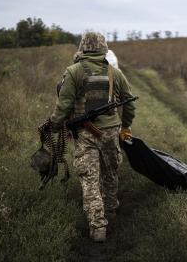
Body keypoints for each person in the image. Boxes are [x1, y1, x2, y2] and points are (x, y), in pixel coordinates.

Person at [50, 32, 136, 241]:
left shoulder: (73, 72)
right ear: (103, 49)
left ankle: (98, 227)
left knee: (89, 179)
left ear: (83, 49)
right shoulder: (115, 73)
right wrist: (125, 125)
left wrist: (54, 125)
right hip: (111, 132)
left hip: (86, 134)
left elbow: (64, 105)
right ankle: (110, 213)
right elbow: (129, 104)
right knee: (110, 174)